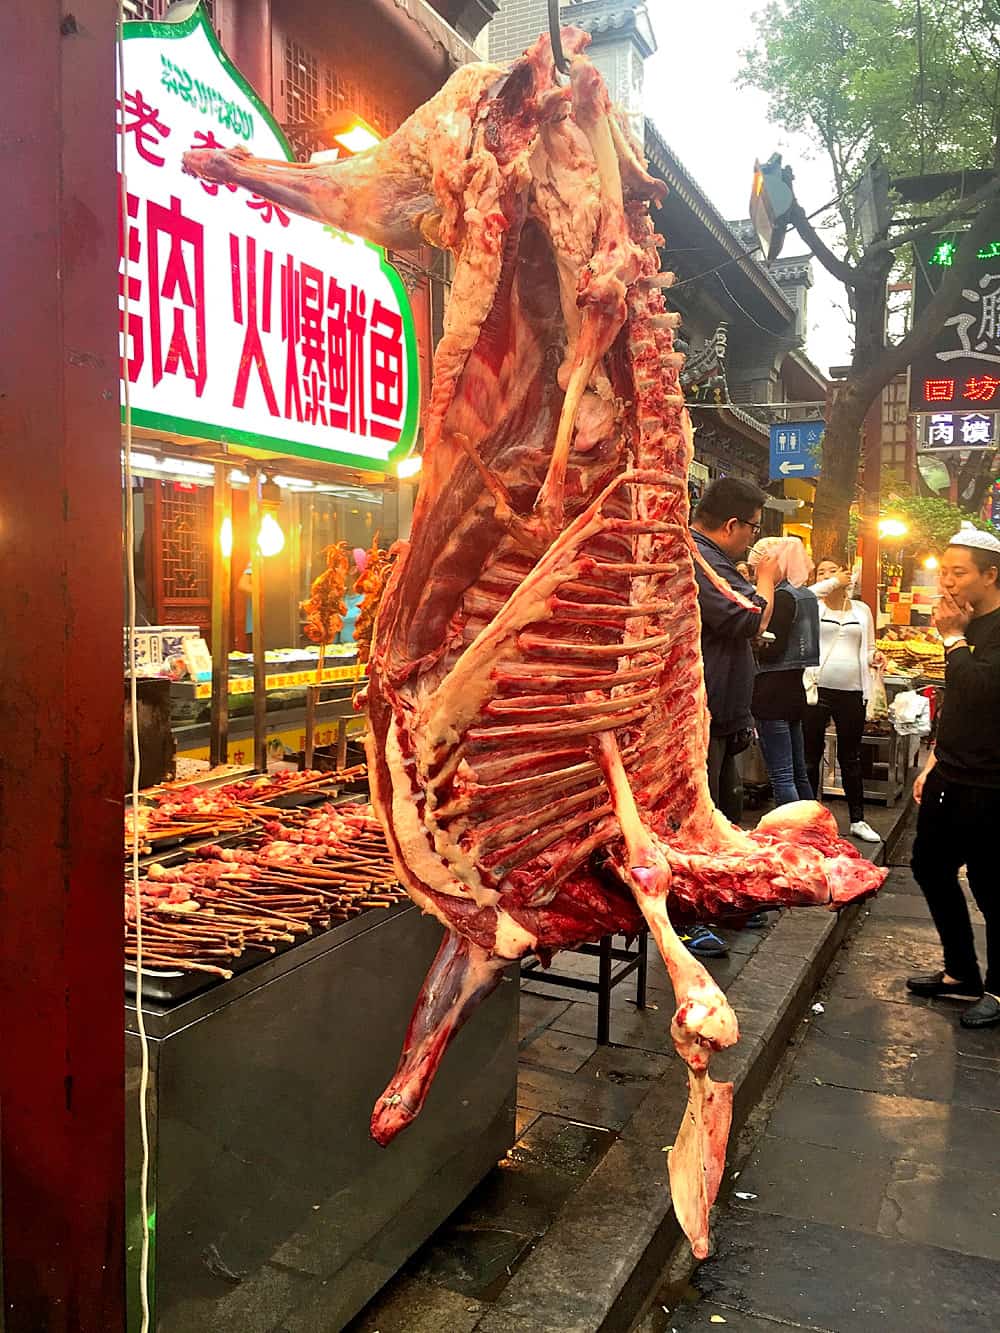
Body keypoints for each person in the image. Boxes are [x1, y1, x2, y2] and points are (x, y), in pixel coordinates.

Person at [906, 527, 1000, 1028]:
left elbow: (982, 690)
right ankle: (961, 972)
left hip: (991, 784)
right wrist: (932, 760)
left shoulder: (979, 629)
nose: (947, 582)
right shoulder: (963, 625)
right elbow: (959, 703)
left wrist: (952, 639)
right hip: (952, 773)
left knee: (991, 885)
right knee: (929, 866)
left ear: (990, 575)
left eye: (958, 573)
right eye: (943, 571)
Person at [689, 477, 779, 956]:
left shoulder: (715, 558)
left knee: (723, 814)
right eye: (751, 528)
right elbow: (746, 616)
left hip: (722, 709)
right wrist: (765, 580)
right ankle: (688, 916)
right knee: (696, 820)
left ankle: (721, 900)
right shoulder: (698, 556)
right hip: (697, 712)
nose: (752, 537)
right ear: (731, 524)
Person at [802, 559, 884, 844]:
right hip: (817, 689)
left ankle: (858, 819)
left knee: (850, 756)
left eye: (832, 570)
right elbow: (806, 594)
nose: (828, 575)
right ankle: (809, 819)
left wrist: (875, 658)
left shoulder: (862, 611)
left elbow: (870, 647)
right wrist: (832, 582)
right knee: (810, 756)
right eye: (821, 572)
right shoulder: (814, 606)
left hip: (852, 691)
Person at [748, 537, 818, 806]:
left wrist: (754, 642)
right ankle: (813, 827)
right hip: (794, 692)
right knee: (799, 772)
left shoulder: (783, 597)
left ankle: (791, 834)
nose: (758, 573)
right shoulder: (807, 595)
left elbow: (774, 647)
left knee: (782, 776)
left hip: (770, 694)